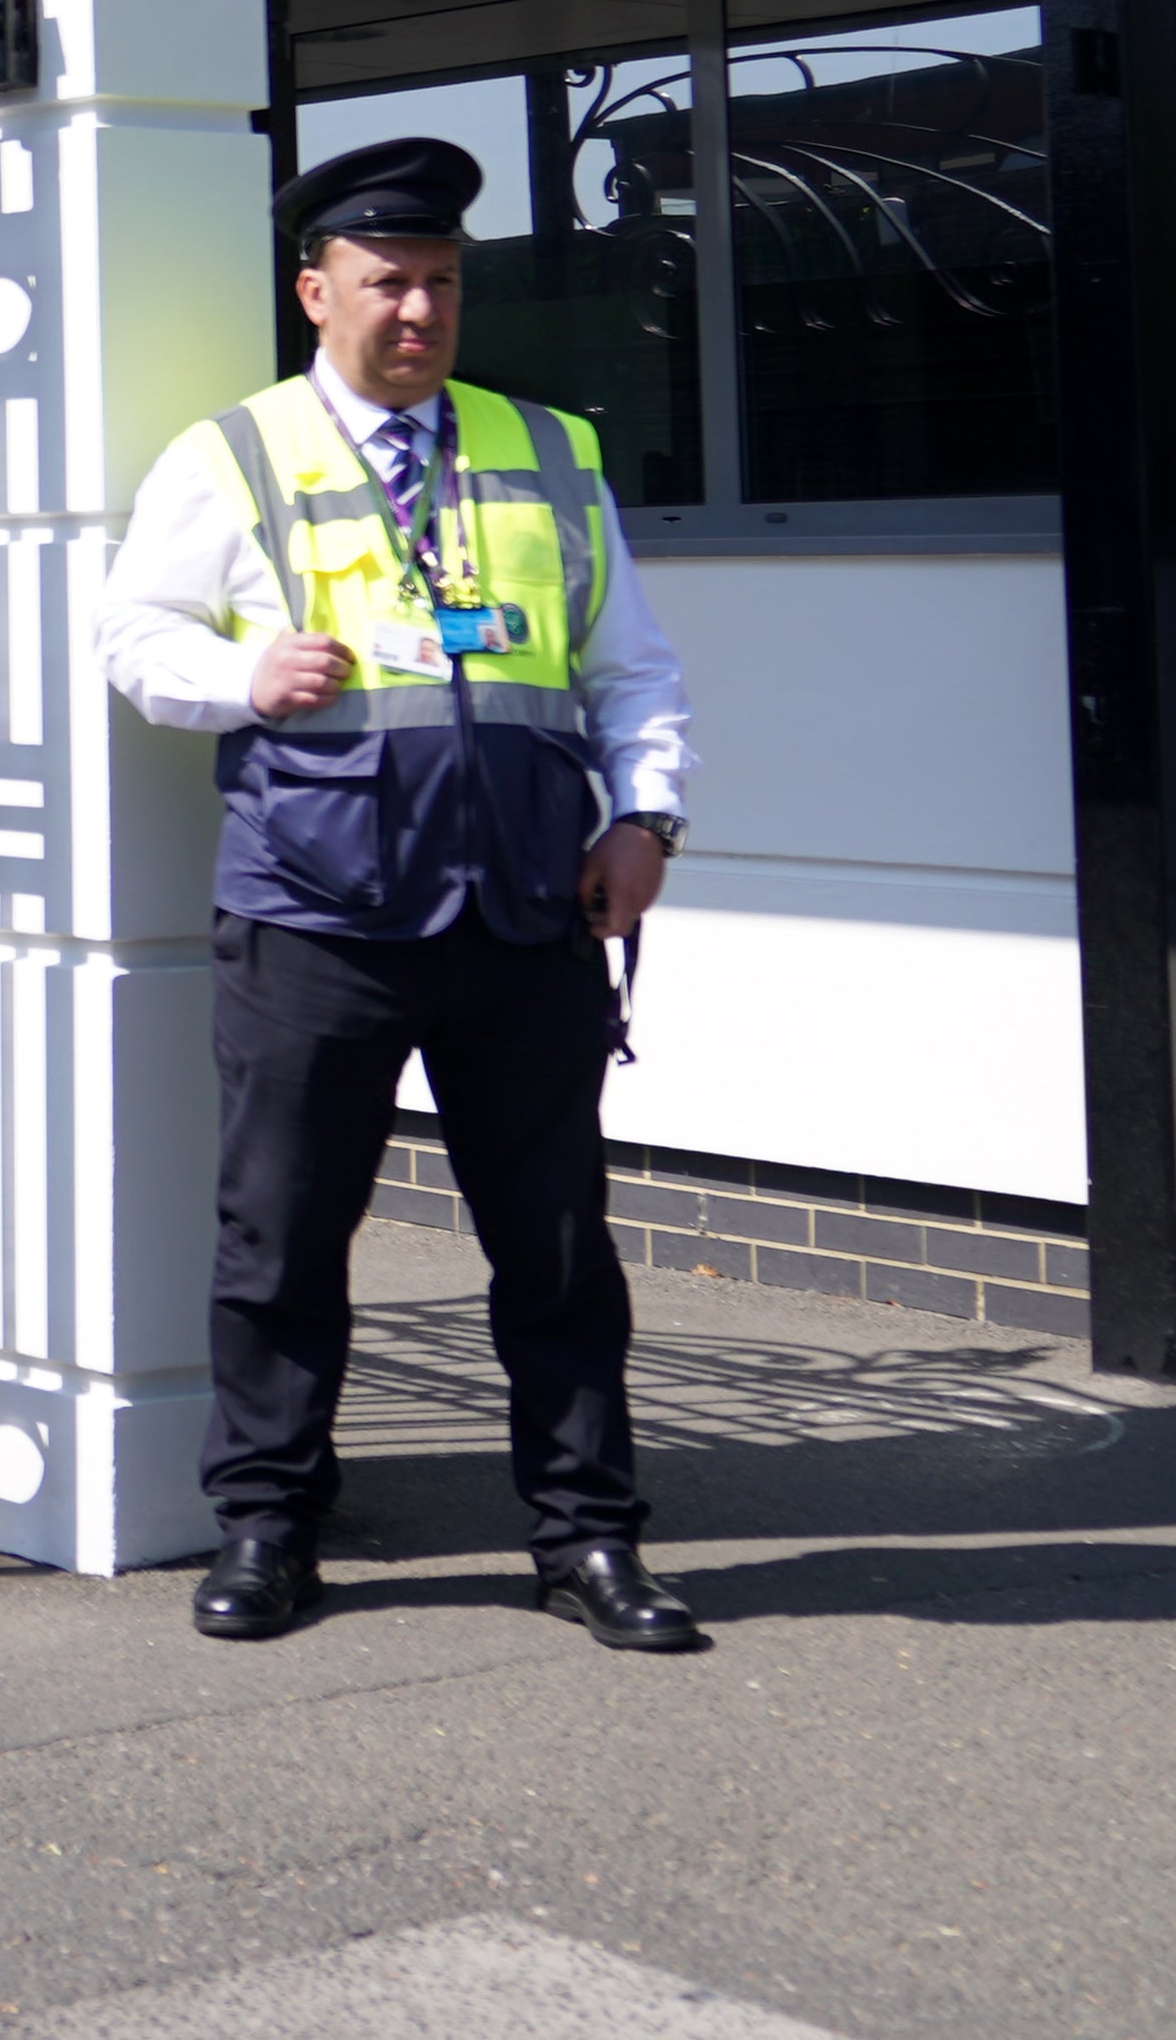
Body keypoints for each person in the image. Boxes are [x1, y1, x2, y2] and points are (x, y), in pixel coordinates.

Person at [95, 138, 710, 1655]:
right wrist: (239, 671)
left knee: (558, 1247)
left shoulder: (547, 445)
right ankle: (266, 1525)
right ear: (318, 291)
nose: (419, 309)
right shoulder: (233, 453)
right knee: (283, 1241)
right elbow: (132, 633)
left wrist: (648, 818)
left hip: (524, 917)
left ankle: (588, 1537)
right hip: (319, 916)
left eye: (440, 281)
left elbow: (630, 664)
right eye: (387, 282)